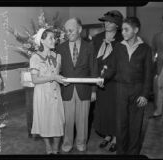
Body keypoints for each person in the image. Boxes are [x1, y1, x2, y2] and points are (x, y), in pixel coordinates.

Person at [98, 17, 152, 154]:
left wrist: (145, 94)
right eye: (122, 30)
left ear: (136, 30)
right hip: (121, 90)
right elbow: (112, 68)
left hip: (138, 92)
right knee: (121, 125)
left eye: (126, 30)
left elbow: (148, 74)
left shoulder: (145, 49)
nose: (123, 33)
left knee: (135, 125)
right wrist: (102, 78)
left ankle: (133, 153)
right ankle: (121, 153)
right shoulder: (118, 47)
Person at [57, 18, 97, 152]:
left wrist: (93, 91)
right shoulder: (60, 47)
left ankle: (81, 143)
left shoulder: (89, 46)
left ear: (79, 29)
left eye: (71, 30)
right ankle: (67, 143)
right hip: (66, 90)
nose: (68, 33)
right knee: (67, 121)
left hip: (84, 90)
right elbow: (57, 70)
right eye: (66, 31)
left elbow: (94, 69)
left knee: (83, 120)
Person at [30, 28, 66, 154]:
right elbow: (35, 80)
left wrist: (62, 80)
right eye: (50, 38)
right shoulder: (35, 57)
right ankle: (48, 147)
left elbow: (58, 75)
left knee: (57, 122)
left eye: (54, 38)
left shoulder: (58, 56)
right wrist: (53, 77)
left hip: (55, 93)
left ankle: (55, 148)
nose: (54, 40)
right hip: (42, 94)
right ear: (42, 41)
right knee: (44, 121)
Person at [92, 10, 123, 152]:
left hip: (115, 82)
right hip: (100, 82)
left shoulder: (123, 38)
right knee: (103, 110)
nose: (106, 23)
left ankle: (116, 137)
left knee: (115, 110)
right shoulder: (97, 38)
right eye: (105, 21)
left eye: (110, 21)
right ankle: (107, 135)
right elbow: (92, 60)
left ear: (117, 24)